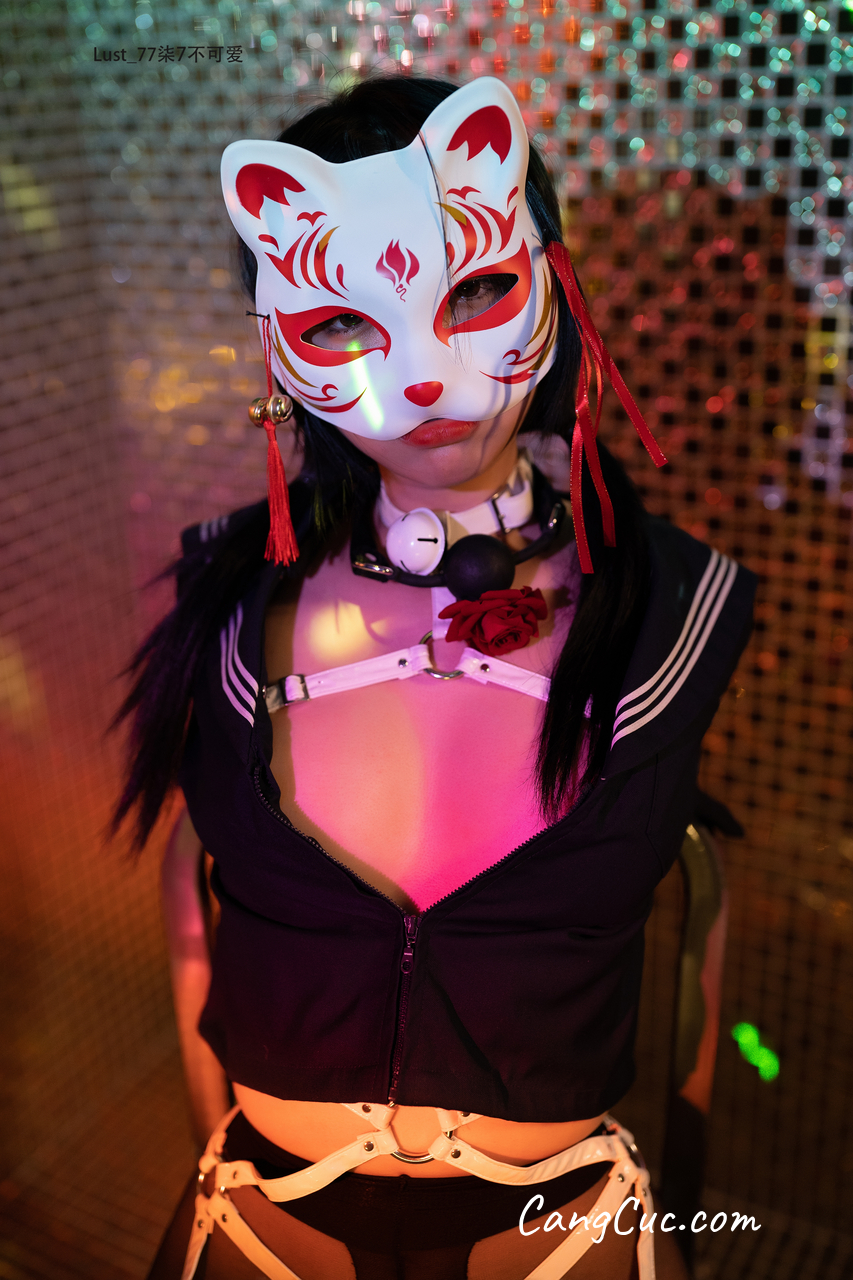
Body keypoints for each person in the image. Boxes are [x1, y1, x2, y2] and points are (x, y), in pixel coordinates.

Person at [116, 74, 756, 1280]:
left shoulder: (675, 604)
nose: (420, 375)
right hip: (260, 1226)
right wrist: (216, 1145)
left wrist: (684, 1191)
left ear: (552, 277)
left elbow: (694, 936)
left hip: (566, 1236)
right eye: (341, 321)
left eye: (473, 292)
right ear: (271, 334)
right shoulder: (230, 599)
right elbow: (195, 896)